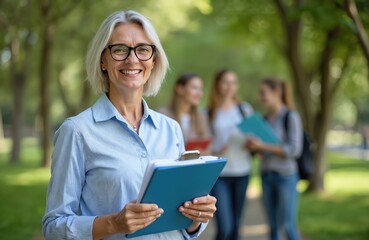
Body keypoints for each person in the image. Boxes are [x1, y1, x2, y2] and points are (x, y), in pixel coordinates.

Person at [42, 10, 217, 240]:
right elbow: (53, 227)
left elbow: (182, 222)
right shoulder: (77, 131)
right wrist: (113, 224)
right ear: (103, 60)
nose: (132, 59)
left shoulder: (170, 128)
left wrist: (195, 218)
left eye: (143, 49)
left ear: (153, 60)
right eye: (120, 50)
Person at [246, 78, 303, 240]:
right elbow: (265, 152)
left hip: (285, 177)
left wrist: (263, 146)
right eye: (260, 93)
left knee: (287, 224)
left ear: (277, 92)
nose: (261, 97)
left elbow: (294, 150)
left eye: (264, 92)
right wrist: (255, 148)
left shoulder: (290, 116)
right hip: (267, 176)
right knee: (273, 227)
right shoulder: (264, 119)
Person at [208, 69, 253, 240]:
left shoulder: (244, 109)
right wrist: (216, 150)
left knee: (235, 228)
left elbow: (253, 137)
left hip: (243, 171)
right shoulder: (209, 113)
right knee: (224, 227)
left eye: (233, 82)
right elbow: (204, 147)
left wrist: (252, 144)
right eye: (225, 82)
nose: (229, 87)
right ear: (217, 85)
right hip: (220, 174)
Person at [160, 73, 210, 151]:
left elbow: (208, 147)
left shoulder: (201, 116)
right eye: (194, 88)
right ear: (180, 89)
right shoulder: (163, 114)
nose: (199, 93)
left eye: (201, 89)